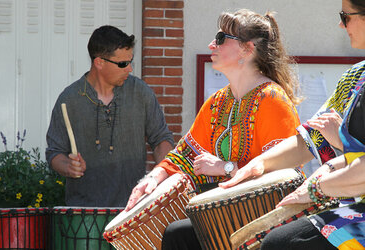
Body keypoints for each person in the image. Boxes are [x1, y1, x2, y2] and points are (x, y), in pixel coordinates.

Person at [125, 9, 302, 250]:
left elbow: (285, 175)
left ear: (247, 50)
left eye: (220, 39)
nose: (211, 45)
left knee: (178, 235)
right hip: (226, 214)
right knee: (176, 235)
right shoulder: (218, 101)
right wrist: (153, 178)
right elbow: (185, 155)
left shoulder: (273, 100)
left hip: (264, 223)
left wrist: (226, 168)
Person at [221, 0, 365, 249]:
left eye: (346, 16)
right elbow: (311, 139)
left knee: (282, 242)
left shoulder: (270, 95)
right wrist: (259, 164)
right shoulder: (356, 76)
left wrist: (317, 187)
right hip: (352, 198)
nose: (340, 24)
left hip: (356, 206)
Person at [45, 25, 174, 207]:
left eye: (130, 61)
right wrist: (68, 166)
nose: (129, 69)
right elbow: (54, 152)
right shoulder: (69, 99)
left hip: (133, 209)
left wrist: (164, 174)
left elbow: (161, 139)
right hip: (84, 215)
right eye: (122, 64)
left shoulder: (140, 92)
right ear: (99, 62)